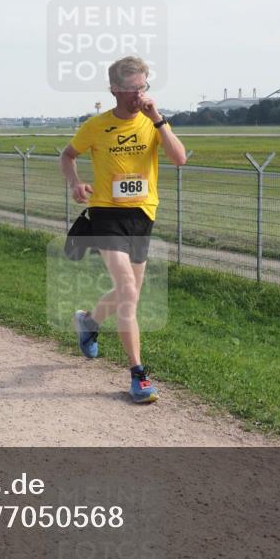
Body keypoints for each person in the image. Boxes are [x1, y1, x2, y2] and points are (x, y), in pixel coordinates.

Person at [60, 56, 187, 403]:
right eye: (132, 89)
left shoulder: (154, 123)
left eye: (143, 87)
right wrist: (75, 182)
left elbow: (180, 158)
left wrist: (158, 120)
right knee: (127, 289)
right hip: (104, 214)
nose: (139, 95)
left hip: (142, 216)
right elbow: (67, 155)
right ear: (115, 89)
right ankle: (138, 374)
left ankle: (88, 322)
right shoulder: (96, 126)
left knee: (128, 295)